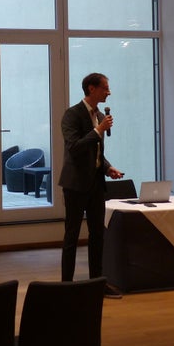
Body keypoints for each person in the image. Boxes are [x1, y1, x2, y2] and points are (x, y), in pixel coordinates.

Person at [59, 73, 124, 298]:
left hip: (96, 183)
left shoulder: (99, 115)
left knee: (98, 235)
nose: (109, 92)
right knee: (72, 236)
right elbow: (74, 147)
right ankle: (66, 287)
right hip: (75, 184)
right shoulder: (72, 114)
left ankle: (97, 283)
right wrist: (98, 130)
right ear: (91, 88)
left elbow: (95, 152)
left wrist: (107, 168)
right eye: (105, 88)